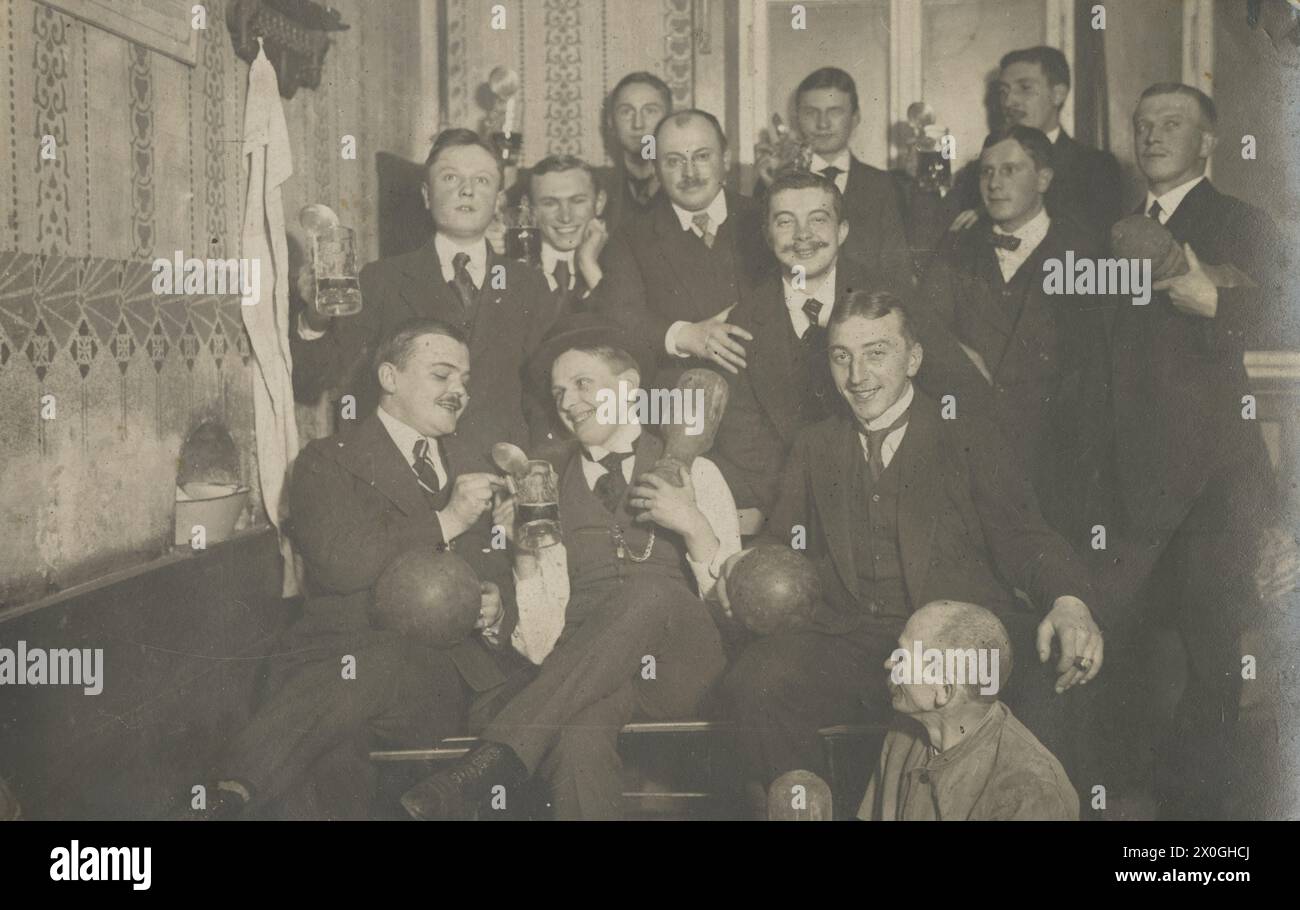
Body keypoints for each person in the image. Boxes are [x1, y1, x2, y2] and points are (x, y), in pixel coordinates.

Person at [714, 289, 1104, 809]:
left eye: (876, 352)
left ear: (913, 359)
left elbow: (1024, 536)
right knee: (755, 680)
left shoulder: (967, 434)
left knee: (1047, 671)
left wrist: (1068, 601)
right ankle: (805, 804)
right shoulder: (815, 445)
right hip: (851, 640)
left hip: (952, 642)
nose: (857, 375)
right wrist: (743, 567)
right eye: (841, 356)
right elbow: (782, 546)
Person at [400, 313, 739, 820]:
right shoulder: (544, 488)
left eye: (584, 384)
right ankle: (498, 759)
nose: (569, 403)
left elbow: (735, 606)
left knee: (650, 594)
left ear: (628, 388)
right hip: (586, 674)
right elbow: (541, 646)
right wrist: (526, 556)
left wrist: (694, 526)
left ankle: (493, 755)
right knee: (579, 738)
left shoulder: (697, 469)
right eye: (559, 393)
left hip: (680, 666)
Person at [194, 319, 528, 819]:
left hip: (439, 680)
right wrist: (447, 519)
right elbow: (340, 565)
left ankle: (229, 793)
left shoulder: (475, 463)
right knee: (335, 758)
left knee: (376, 673)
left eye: (465, 381)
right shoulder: (327, 461)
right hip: (339, 667)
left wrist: (497, 604)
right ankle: (230, 799)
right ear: (389, 377)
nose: (458, 390)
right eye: (442, 375)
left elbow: (496, 561)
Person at [1092, 83, 1291, 818]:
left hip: (1215, 485)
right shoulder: (1112, 230)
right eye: (1143, 124)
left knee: (1211, 664)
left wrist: (1220, 304)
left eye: (1171, 124)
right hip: (1128, 484)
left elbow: (1285, 312)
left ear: (1209, 142)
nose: (1151, 136)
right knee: (1133, 666)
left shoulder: (1242, 222)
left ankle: (1203, 842)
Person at [707, 170, 969, 517]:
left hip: (899, 494)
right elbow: (744, 442)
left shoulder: (892, 297)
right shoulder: (744, 320)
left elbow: (958, 391)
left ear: (842, 231)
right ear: (767, 236)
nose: (803, 236)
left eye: (818, 219)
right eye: (785, 222)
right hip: (794, 505)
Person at [291, 128, 553, 474]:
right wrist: (315, 318)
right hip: (407, 486)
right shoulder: (380, 280)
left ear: (498, 202)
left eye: (483, 180)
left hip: (500, 485)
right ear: (427, 196)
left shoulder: (529, 286)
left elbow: (546, 401)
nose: (467, 189)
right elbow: (312, 382)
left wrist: (530, 477)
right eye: (450, 177)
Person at [918, 125, 1111, 539]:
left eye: (1010, 170)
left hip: (1058, 458)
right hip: (972, 453)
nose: (994, 183)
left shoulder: (1087, 252)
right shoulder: (955, 247)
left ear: (1043, 179)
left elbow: (1098, 365)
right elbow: (926, 330)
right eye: (987, 172)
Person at [859, 601, 1079, 821]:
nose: (889, 663)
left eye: (902, 658)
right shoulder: (902, 734)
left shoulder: (1032, 794)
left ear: (943, 691)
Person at [596, 109, 770, 378]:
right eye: (674, 161)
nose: (689, 173)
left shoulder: (766, 219)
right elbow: (618, 316)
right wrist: (683, 336)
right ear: (655, 168)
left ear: (725, 159)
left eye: (701, 156)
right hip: (682, 398)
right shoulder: (631, 237)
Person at [950, 46, 1123, 241]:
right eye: (1003, 91)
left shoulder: (1096, 167)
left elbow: (1095, 243)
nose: (1009, 102)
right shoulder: (976, 171)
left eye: (1025, 88)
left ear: (1058, 94)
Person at [756, 67, 911, 284]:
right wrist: (775, 187)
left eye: (835, 111)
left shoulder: (882, 186)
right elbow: (760, 269)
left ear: (855, 118)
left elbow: (898, 274)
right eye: (811, 112)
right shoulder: (774, 182)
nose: (823, 124)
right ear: (796, 118)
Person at [527, 154, 609, 323]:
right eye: (550, 203)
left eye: (577, 201)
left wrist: (588, 264)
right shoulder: (512, 262)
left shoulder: (626, 260)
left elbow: (627, 333)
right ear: (531, 209)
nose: (565, 217)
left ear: (599, 202)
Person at [600, 71, 674, 229]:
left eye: (650, 111)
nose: (638, 124)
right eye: (626, 112)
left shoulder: (688, 187)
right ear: (611, 122)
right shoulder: (598, 192)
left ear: (669, 119)